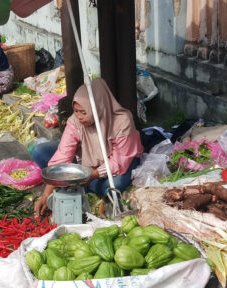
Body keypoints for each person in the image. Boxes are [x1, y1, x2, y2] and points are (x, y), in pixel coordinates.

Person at [33, 79, 144, 217]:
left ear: (98, 107)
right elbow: (63, 155)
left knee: (113, 186)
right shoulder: (75, 121)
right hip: (86, 159)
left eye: (83, 112)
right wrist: (45, 196)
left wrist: (92, 174)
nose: (78, 116)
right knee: (39, 152)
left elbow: (119, 161)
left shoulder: (122, 121)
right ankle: (80, 182)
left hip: (120, 162)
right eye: (76, 111)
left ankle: (80, 182)